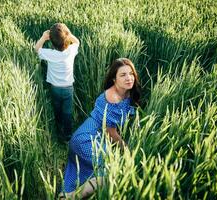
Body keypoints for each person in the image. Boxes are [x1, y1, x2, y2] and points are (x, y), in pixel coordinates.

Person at [59, 58, 141, 199]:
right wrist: (127, 150)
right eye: (123, 75)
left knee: (104, 170)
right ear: (114, 79)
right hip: (87, 138)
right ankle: (70, 196)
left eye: (131, 73)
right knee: (110, 173)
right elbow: (110, 133)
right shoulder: (112, 98)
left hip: (93, 136)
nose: (129, 78)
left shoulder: (126, 92)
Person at [35, 23, 80, 142]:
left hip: (54, 88)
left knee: (57, 108)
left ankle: (58, 129)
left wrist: (43, 38)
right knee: (68, 112)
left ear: (52, 42)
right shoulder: (71, 51)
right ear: (67, 39)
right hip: (68, 89)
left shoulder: (50, 53)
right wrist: (68, 34)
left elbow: (37, 49)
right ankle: (67, 135)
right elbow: (77, 42)